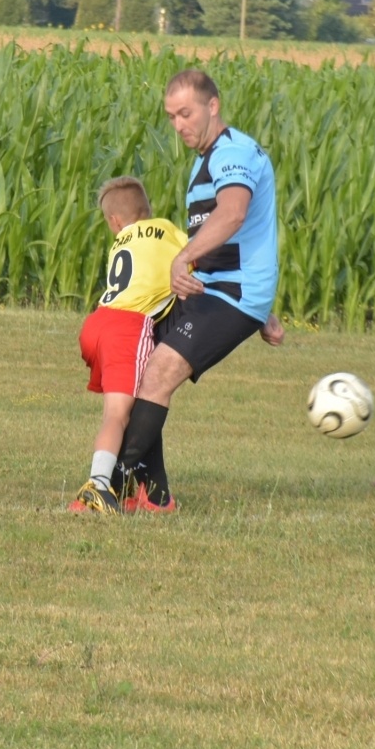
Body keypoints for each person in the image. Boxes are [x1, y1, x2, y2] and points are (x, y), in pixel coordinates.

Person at [109, 69, 285, 511]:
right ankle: (155, 495)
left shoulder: (232, 153)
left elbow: (233, 216)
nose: (179, 125)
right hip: (222, 290)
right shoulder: (206, 158)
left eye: (186, 113)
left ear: (213, 105)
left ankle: (111, 488)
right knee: (143, 369)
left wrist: (181, 258)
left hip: (232, 294)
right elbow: (240, 237)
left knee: (158, 375)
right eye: (171, 117)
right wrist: (264, 310)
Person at [71, 176, 187, 514]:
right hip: (129, 328)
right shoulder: (164, 230)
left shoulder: (120, 242)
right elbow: (196, 256)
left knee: (126, 408)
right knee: (118, 416)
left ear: (114, 222)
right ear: (148, 210)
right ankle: (98, 486)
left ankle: (143, 490)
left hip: (98, 323)